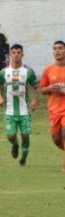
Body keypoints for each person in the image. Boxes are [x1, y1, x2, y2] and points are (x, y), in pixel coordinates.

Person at [0, 44, 39, 166]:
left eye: (19, 52)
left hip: (24, 111)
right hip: (9, 111)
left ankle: (23, 159)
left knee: (25, 136)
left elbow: (36, 87)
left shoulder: (28, 72)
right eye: (13, 52)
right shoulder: (4, 72)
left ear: (22, 54)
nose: (16, 54)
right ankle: (15, 145)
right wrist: (0, 98)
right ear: (10, 55)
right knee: (11, 135)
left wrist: (35, 100)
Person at [39, 40, 65, 172]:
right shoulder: (48, 70)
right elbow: (42, 90)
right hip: (54, 110)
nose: (57, 51)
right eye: (55, 49)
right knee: (56, 140)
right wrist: (50, 88)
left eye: (60, 48)